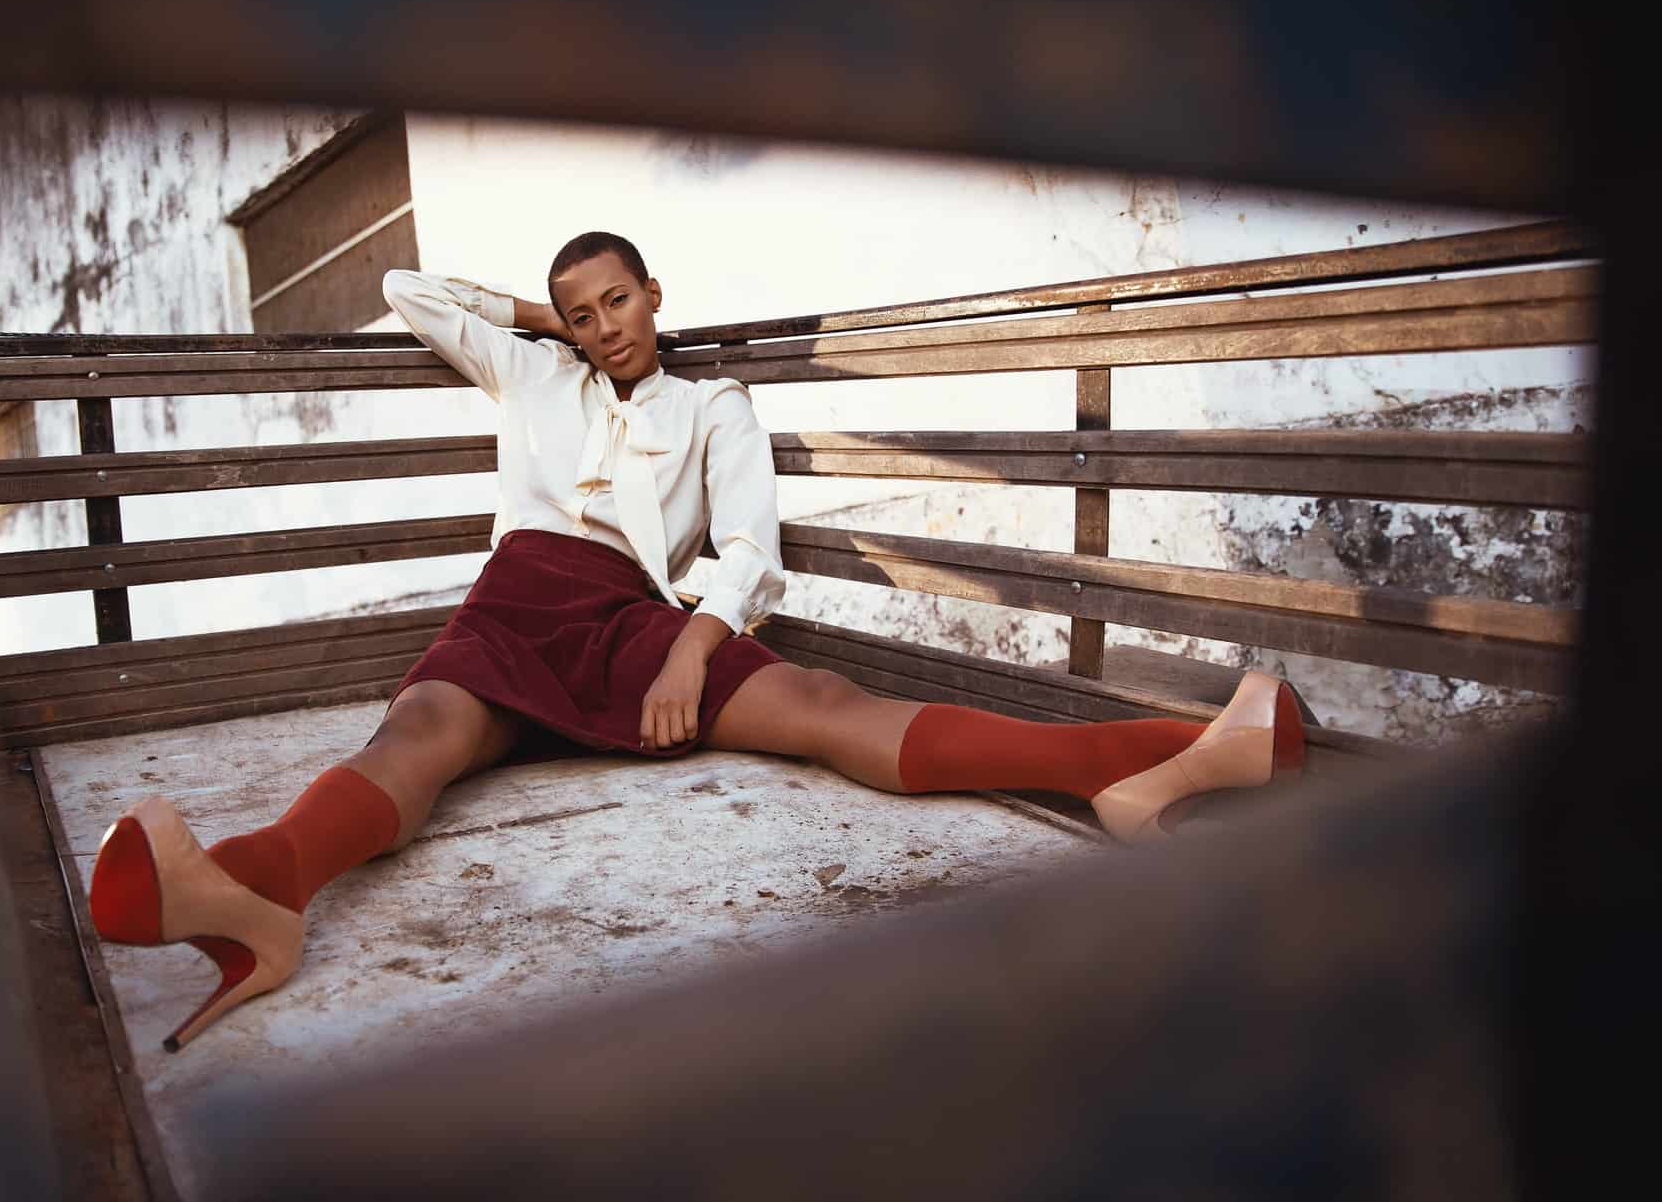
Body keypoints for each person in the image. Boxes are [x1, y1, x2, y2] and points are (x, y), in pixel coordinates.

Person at [87, 232, 1306, 1051]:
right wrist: (542, 325)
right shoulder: (535, 379)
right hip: (514, 607)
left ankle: (1150, 756)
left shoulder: (712, 404)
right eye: (580, 312)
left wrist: (686, 651)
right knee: (417, 731)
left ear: (655, 297)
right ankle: (262, 885)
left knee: (825, 703)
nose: (602, 326)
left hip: (640, 619)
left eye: (616, 300)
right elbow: (411, 290)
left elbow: (748, 549)